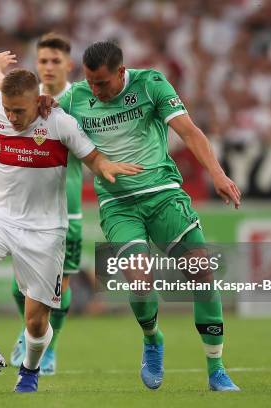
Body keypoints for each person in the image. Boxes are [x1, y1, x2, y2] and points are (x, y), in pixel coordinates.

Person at [57, 41, 242, 391]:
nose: (96, 90)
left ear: (122, 73)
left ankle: (216, 369)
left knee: (201, 273)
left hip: (163, 196)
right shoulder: (76, 98)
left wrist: (217, 173)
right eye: (90, 82)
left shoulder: (151, 84)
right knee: (140, 283)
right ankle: (153, 339)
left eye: (103, 82)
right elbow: (45, 124)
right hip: (118, 205)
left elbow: (189, 131)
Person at [0, 67, 141, 393]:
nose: (12, 116)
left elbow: (92, 158)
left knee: (36, 321)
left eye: (19, 110)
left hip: (45, 230)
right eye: (8, 109)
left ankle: (30, 370)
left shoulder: (60, 123)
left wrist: (109, 167)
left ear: (38, 101)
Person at [0, 33, 77, 376]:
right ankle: (32, 335)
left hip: (65, 208)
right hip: (21, 209)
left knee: (59, 284)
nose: (49, 67)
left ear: (68, 65)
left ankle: (49, 350)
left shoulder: (77, 98)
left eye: (55, 61)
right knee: (19, 287)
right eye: (43, 61)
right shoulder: (23, 101)